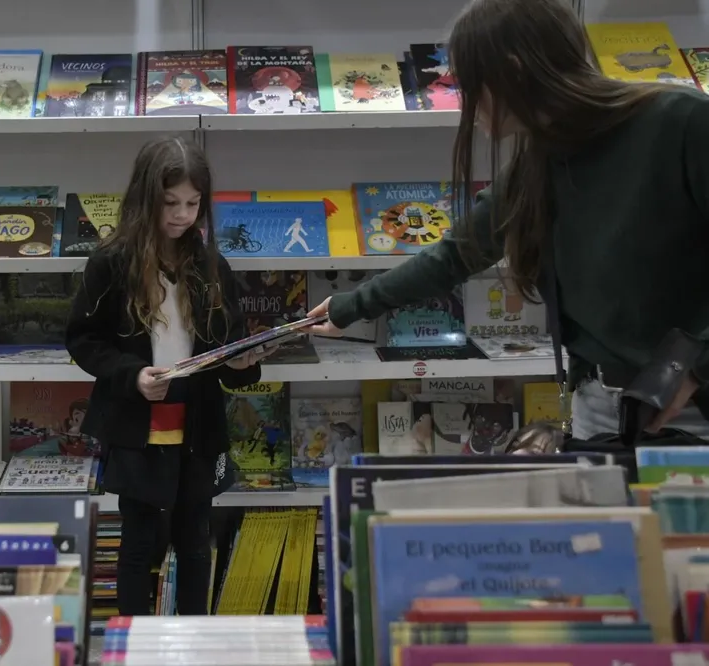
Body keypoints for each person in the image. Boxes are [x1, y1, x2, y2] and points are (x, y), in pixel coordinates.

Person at [308, 0, 709, 441]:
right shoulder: (538, 162)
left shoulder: (682, 123)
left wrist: (697, 367)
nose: (464, 101)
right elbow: (456, 255)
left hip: (692, 409)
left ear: (514, 73)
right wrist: (350, 307)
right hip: (599, 408)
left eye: (468, 83)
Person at [65, 136, 272, 616]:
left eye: (193, 204)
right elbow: (84, 339)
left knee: (196, 542)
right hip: (139, 428)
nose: (182, 215)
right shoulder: (111, 262)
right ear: (145, 199)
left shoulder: (210, 264)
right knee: (139, 543)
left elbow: (230, 342)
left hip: (198, 428)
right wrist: (134, 375)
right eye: (170, 203)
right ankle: (134, 641)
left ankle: (194, 639)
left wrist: (243, 363)